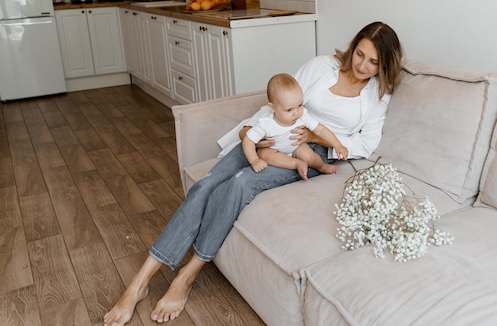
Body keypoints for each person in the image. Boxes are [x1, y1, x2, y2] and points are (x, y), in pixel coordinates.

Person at [103, 21, 404, 326]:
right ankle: (140, 281)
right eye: (360, 54)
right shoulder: (322, 66)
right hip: (272, 135)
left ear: (385, 65)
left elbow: (366, 143)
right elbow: (279, 101)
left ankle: (187, 275)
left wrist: (318, 139)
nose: (363, 65)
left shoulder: (378, 94)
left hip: (311, 153)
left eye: (374, 62)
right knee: (207, 184)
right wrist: (251, 131)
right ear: (353, 47)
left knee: (240, 183)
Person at [243, 73, 349, 179]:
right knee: (264, 155)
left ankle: (321, 166)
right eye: (289, 110)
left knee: (309, 156)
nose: (296, 113)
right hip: (275, 150)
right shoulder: (266, 124)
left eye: (300, 105)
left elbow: (320, 130)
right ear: (273, 108)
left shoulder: (302, 115)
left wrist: (337, 145)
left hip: (295, 147)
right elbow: (248, 141)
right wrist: (254, 160)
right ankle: (296, 163)